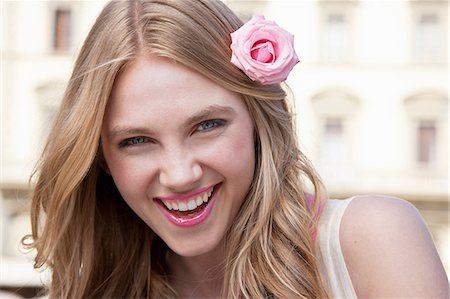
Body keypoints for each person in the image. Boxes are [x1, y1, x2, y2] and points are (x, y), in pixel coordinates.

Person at [23, 0, 448, 298]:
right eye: (136, 141)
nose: (180, 173)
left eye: (208, 125)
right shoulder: (95, 288)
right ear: (100, 159)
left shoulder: (370, 239)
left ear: (258, 120)